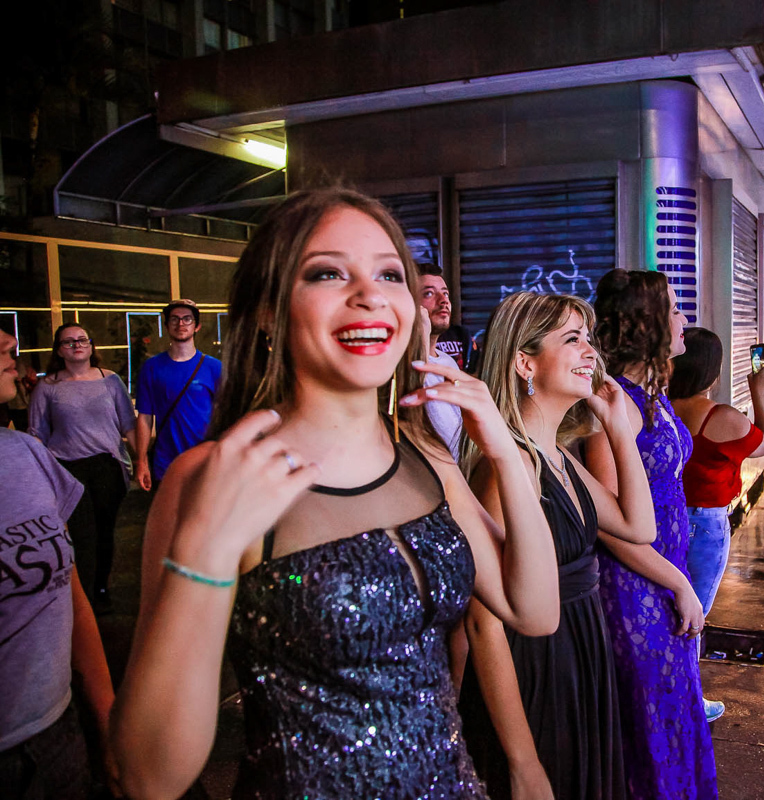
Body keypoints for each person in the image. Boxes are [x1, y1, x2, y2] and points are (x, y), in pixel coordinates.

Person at [110, 188, 559, 800]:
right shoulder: (209, 477)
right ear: (268, 311)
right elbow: (149, 776)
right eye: (327, 272)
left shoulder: (425, 459)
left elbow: (534, 610)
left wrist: (506, 451)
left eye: (389, 274)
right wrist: (205, 553)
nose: (370, 294)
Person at [458, 292, 657, 800]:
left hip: (580, 655)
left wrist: (618, 428)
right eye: (573, 339)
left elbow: (639, 527)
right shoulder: (509, 464)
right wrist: (522, 763)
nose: (591, 352)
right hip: (535, 672)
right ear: (525, 361)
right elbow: (483, 624)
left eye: (590, 339)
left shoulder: (560, 457)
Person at [585, 268, 717, 800]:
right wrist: (679, 584)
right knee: (649, 715)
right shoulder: (613, 401)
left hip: (666, 570)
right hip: (634, 582)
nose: (684, 318)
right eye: (675, 307)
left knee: (676, 706)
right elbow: (610, 523)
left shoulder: (653, 392)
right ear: (647, 324)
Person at [0, 327, 118, 799]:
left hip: (57, 735)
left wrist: (107, 724)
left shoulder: (23, 456)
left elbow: (68, 595)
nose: (11, 342)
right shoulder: (47, 391)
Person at [668, 326, 764, 720]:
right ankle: (689, 703)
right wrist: (759, 393)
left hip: (665, 520)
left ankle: (678, 695)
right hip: (705, 526)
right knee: (691, 615)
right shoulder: (721, 417)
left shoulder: (659, 406)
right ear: (713, 372)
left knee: (672, 609)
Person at [28, 324, 138, 611]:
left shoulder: (110, 380)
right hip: (67, 468)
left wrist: (142, 462)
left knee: (105, 532)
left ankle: (101, 589)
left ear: (91, 346)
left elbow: (129, 424)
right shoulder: (48, 386)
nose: (77, 345)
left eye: (82, 340)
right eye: (68, 342)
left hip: (107, 466)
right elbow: (36, 433)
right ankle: (83, 598)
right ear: (59, 350)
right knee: (81, 536)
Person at [133, 298, 223, 491]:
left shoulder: (214, 368)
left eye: (187, 319)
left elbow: (224, 414)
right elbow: (145, 418)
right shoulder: (152, 368)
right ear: (166, 326)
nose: (180, 324)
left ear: (197, 326)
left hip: (204, 462)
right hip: (166, 463)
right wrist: (141, 461)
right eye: (174, 319)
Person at [418, 265, 464, 457]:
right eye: (429, 293)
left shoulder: (448, 362)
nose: (443, 301)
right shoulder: (397, 365)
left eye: (445, 294)